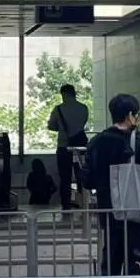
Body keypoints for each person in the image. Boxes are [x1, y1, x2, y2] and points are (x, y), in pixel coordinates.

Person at [83, 93, 140, 275]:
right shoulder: (138, 141)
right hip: (135, 214)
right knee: (135, 262)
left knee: (110, 259)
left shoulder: (96, 142)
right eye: (137, 115)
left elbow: (87, 180)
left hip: (108, 213)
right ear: (130, 115)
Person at [46, 83, 89, 211]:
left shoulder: (58, 109)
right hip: (81, 146)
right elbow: (83, 123)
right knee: (81, 174)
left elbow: (51, 126)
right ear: (74, 93)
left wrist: (61, 128)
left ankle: (66, 204)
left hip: (64, 146)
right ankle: (83, 202)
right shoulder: (83, 108)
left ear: (63, 94)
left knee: (65, 177)